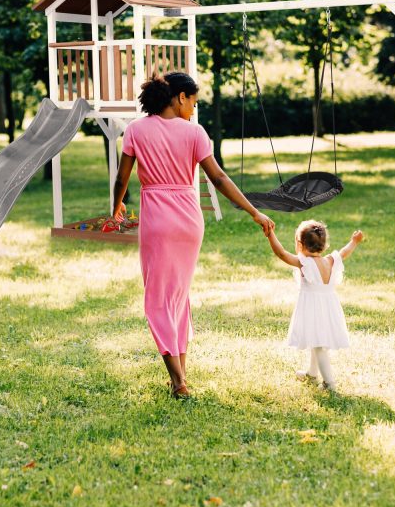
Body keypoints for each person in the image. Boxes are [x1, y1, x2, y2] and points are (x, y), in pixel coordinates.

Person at [113, 72, 275, 398]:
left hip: (158, 221)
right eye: (194, 102)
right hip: (189, 221)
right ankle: (180, 376)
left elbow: (122, 178)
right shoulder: (195, 133)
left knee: (158, 300)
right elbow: (218, 178)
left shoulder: (136, 130)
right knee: (178, 297)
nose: (194, 109)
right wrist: (253, 211)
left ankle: (178, 381)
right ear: (180, 97)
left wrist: (115, 207)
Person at [266, 220, 364, 391]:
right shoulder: (330, 261)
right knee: (315, 340)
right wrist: (354, 241)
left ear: (300, 244)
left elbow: (281, 254)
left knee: (319, 346)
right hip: (328, 308)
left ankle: (329, 383)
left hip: (313, 309)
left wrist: (270, 234)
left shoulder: (304, 263)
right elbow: (344, 252)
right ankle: (312, 373)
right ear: (324, 245)